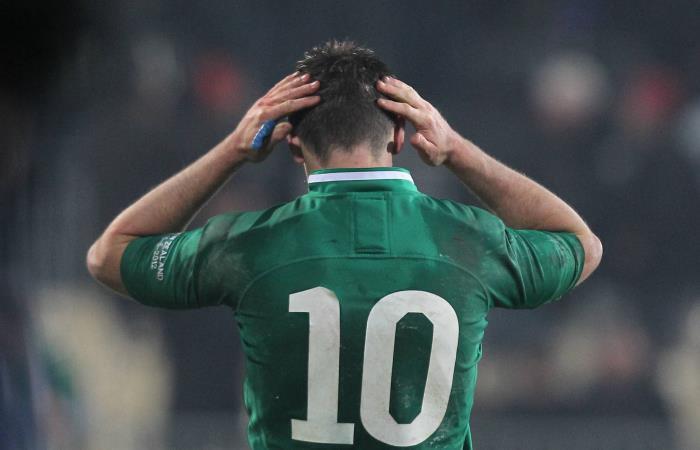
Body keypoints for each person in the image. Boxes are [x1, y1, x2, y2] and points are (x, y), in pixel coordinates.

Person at [87, 40, 602, 450]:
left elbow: (110, 254)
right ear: (399, 136)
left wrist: (233, 152)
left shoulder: (247, 245)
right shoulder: (470, 240)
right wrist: (456, 150)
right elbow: (579, 243)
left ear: (291, 144)